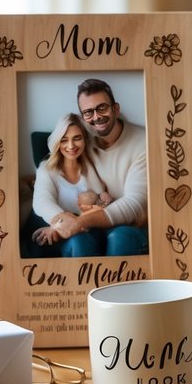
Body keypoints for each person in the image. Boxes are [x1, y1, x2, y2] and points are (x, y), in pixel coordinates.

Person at [45, 78, 149, 256]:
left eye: (102, 108)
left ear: (115, 109)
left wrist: (79, 222)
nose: (96, 117)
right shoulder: (82, 142)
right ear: (83, 118)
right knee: (79, 240)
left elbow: (135, 204)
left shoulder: (143, 142)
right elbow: (55, 171)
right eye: (88, 112)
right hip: (96, 224)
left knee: (120, 237)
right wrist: (59, 223)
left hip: (134, 227)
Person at [30, 114, 109, 255]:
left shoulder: (92, 167)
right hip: (61, 237)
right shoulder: (46, 169)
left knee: (82, 239)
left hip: (90, 232)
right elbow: (42, 201)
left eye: (77, 138)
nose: (71, 146)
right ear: (57, 142)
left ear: (85, 139)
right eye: (64, 140)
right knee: (78, 240)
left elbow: (102, 200)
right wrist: (60, 224)